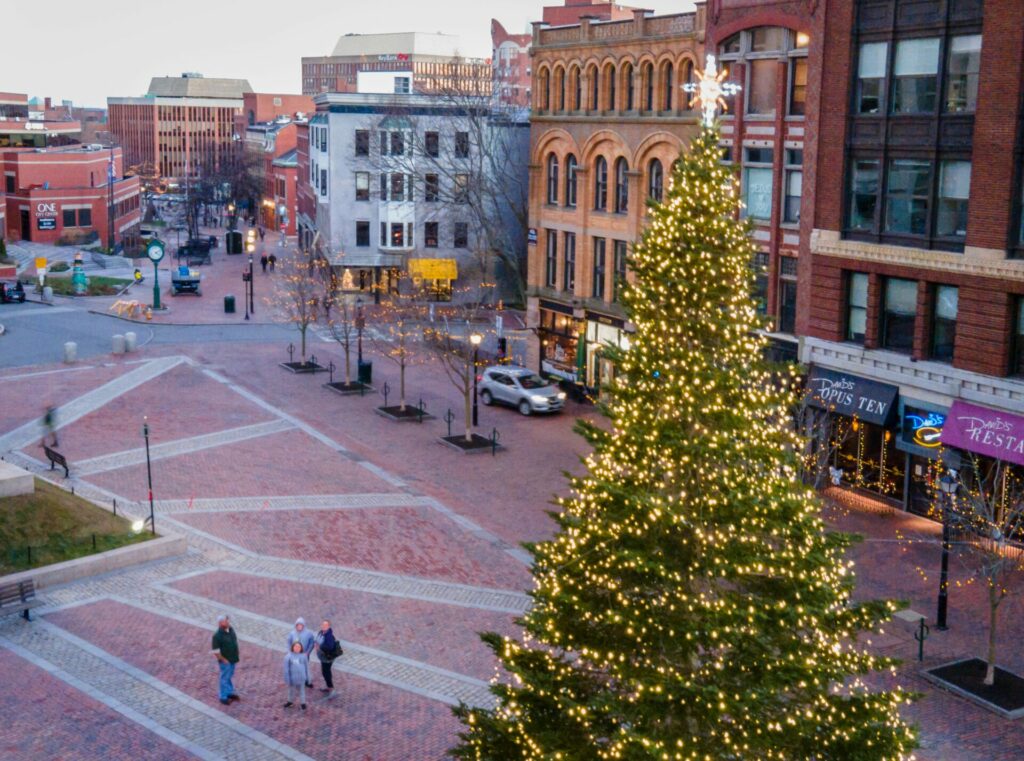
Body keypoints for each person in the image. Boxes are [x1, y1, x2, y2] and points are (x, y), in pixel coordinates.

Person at [211, 614, 240, 706]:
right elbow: (215, 651)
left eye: (228, 620)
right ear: (220, 623)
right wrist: (223, 659)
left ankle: (229, 692)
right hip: (225, 661)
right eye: (226, 621)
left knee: (229, 676)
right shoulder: (217, 636)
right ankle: (223, 696)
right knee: (224, 678)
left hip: (232, 658)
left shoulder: (230, 630)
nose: (228, 622)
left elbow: (234, 641)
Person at [314, 619, 342, 697]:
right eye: (323, 625)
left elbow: (330, 647)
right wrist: (316, 644)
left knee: (326, 672)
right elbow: (317, 640)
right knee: (325, 672)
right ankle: (329, 687)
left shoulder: (329, 636)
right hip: (323, 657)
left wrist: (320, 647)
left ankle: (331, 688)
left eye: (326, 625)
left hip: (327, 658)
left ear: (329, 626)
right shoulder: (321, 632)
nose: (323, 626)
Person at [287, 618, 315, 688]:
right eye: (298, 625)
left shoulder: (309, 634)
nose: (299, 627)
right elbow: (289, 643)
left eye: (301, 625)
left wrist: (308, 652)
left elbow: (311, 643)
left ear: (303, 625)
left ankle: (307, 681)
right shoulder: (292, 634)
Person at [283, 641, 308, 709]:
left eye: (299, 647)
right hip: (292, 679)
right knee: (291, 691)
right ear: (293, 647)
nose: (297, 648)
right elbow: (286, 669)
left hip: (301, 678)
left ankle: (303, 703)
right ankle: (290, 702)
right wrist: (287, 679)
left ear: (301, 648)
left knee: (302, 691)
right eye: (295, 646)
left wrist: (307, 677)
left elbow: (306, 667)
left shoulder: (303, 656)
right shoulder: (288, 657)